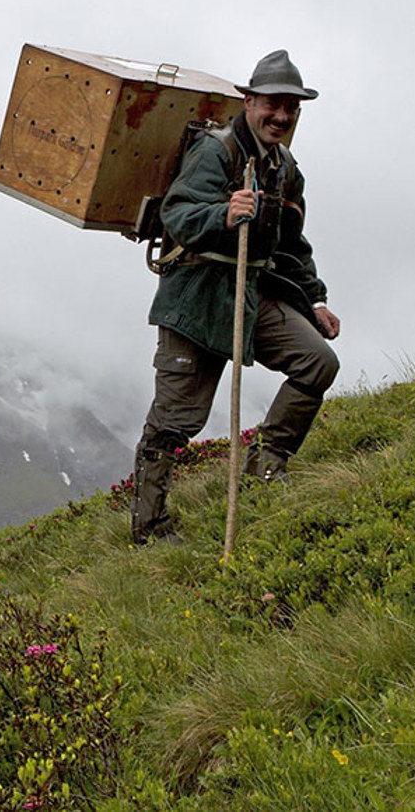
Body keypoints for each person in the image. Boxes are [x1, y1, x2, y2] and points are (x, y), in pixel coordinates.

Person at [132, 49, 341, 544]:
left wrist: (314, 300)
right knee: (174, 423)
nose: (282, 116)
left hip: (252, 299)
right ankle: (148, 527)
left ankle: (265, 468)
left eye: (292, 107)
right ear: (248, 101)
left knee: (318, 363)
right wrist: (222, 215)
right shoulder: (215, 151)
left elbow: (292, 245)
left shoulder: (286, 168)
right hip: (197, 301)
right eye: (273, 104)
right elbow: (177, 216)